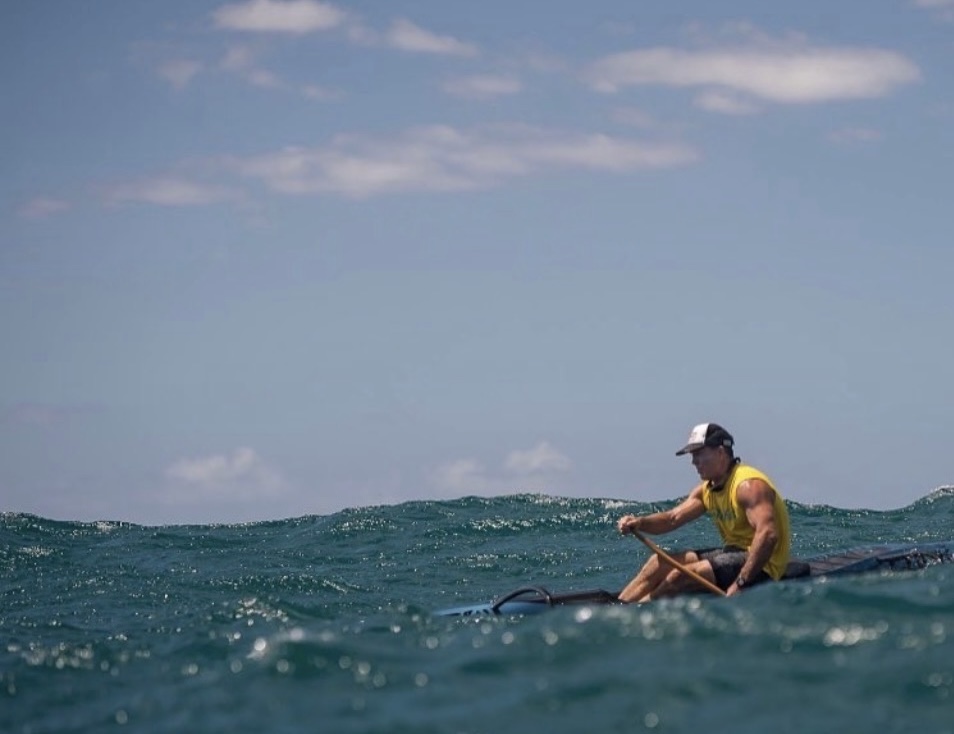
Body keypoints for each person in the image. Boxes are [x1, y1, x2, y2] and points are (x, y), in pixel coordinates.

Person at [616, 422, 791, 602]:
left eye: (698, 454)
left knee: (679, 576)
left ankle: (636, 615)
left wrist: (741, 583)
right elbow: (672, 519)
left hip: (765, 566)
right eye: (692, 455)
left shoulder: (749, 486)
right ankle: (620, 605)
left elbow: (768, 535)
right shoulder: (707, 489)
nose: (693, 462)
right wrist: (640, 523)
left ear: (721, 453)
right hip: (732, 553)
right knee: (658, 563)